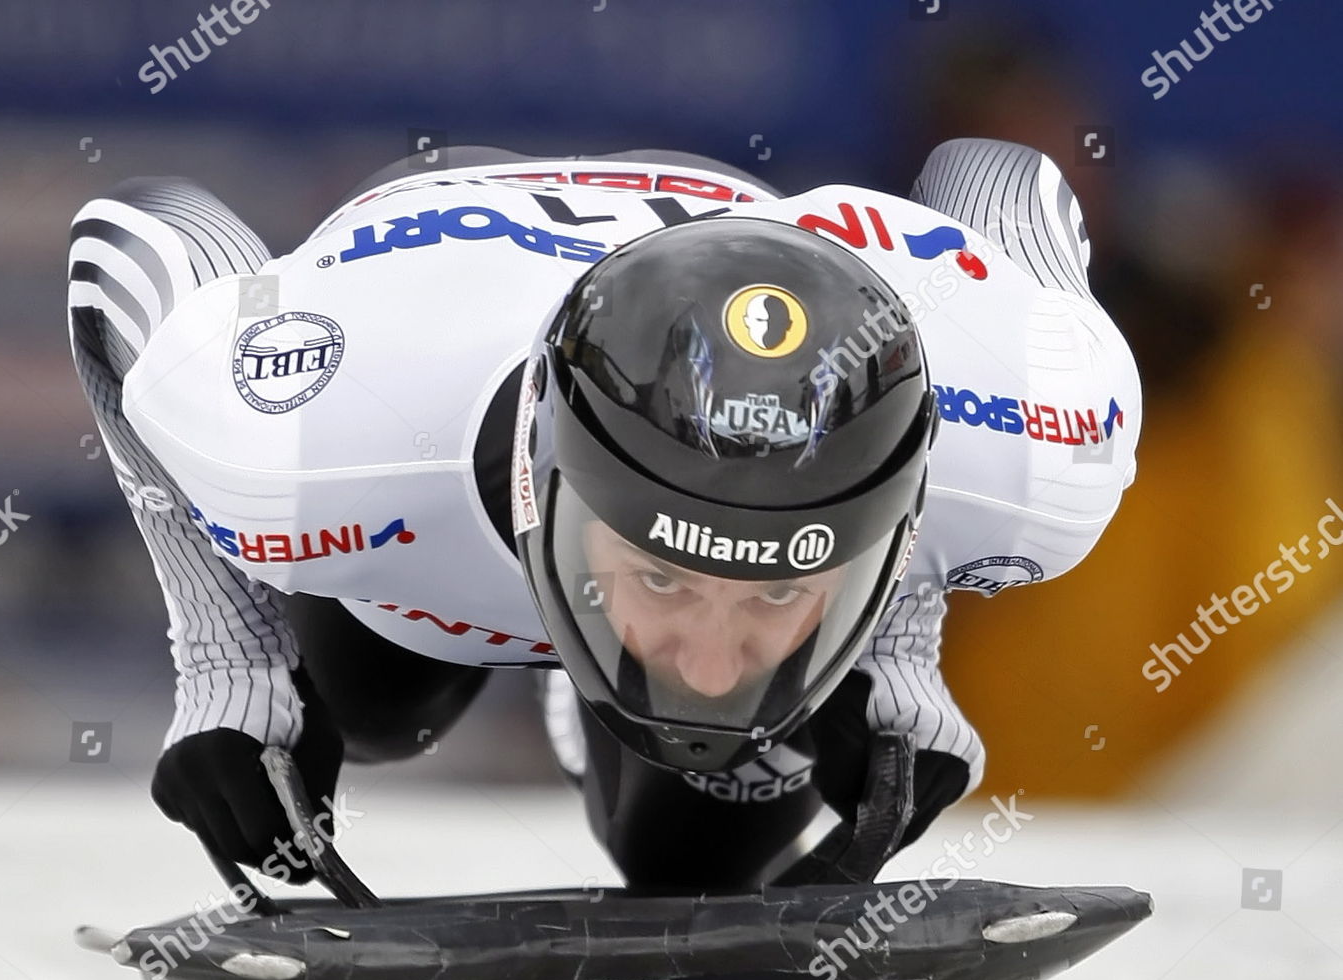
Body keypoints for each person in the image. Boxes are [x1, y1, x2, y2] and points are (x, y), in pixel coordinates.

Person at [66, 139, 1140, 894]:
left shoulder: (1026, 447)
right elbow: (129, 241)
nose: (710, 667)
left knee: (689, 860)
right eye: (668, 576)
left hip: (776, 266)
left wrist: (898, 645)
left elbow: (996, 181)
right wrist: (232, 665)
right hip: (430, 271)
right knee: (374, 706)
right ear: (546, 491)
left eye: (777, 588)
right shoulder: (319, 440)